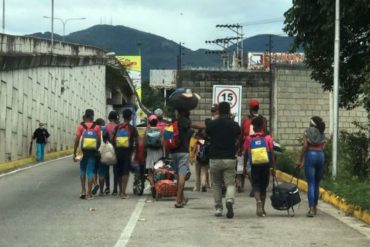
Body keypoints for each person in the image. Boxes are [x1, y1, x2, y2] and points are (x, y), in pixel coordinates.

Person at [206, 102, 241, 218]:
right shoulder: (234, 125)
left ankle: (218, 208)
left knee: (216, 184)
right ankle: (229, 200)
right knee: (230, 183)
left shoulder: (212, 124)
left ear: (218, 111)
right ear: (229, 111)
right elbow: (239, 136)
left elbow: (207, 134)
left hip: (215, 158)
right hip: (229, 158)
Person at [244, 115, 275, 217]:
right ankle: (263, 209)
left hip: (255, 165)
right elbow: (271, 153)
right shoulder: (267, 138)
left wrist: (245, 166)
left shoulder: (249, 138)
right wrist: (273, 167)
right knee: (264, 186)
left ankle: (258, 202)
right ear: (262, 126)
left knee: (256, 184)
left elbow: (247, 153)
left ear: (253, 127)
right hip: (265, 165)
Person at [296, 116, 325, 217]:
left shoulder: (307, 131)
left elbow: (305, 146)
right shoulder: (322, 131)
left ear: (311, 123)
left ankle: (311, 209)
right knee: (317, 183)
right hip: (321, 155)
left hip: (310, 155)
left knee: (311, 183)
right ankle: (315, 207)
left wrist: (300, 159)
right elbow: (322, 146)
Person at [239, 99, 268, 196]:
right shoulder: (263, 119)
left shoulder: (245, 119)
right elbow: (266, 133)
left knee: (248, 168)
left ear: (250, 108)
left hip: (248, 146)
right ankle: (257, 186)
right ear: (258, 108)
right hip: (261, 147)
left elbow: (241, 134)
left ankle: (255, 186)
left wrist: (239, 148)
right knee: (259, 167)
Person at [73, 109, 101, 200]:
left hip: (82, 152)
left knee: (82, 169)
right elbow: (99, 141)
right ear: (92, 116)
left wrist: (74, 153)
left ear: (85, 116)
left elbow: (77, 140)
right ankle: (89, 194)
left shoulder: (81, 126)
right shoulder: (96, 127)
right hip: (92, 152)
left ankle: (83, 191)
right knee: (90, 171)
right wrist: (95, 148)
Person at [111, 109, 139, 199]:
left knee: (119, 172)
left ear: (123, 117)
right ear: (130, 117)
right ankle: (123, 192)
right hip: (127, 152)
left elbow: (112, 139)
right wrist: (136, 153)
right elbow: (137, 142)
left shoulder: (117, 127)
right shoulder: (132, 129)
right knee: (125, 172)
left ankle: (120, 192)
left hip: (118, 152)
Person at [169, 109, 193, 208]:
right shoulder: (189, 129)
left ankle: (182, 199)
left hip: (173, 153)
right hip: (184, 153)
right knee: (182, 176)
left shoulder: (173, 125)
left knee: (178, 176)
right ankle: (178, 199)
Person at [143, 114, 164, 194]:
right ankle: (157, 186)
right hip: (158, 152)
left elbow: (145, 143)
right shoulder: (159, 130)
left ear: (150, 122)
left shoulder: (147, 131)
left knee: (150, 171)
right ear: (156, 123)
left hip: (150, 152)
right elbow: (162, 143)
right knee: (158, 170)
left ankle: (152, 185)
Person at [104, 111, 120, 195]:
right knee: (115, 170)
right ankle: (115, 190)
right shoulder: (118, 127)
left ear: (109, 118)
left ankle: (107, 187)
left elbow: (104, 138)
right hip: (116, 149)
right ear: (116, 118)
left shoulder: (106, 127)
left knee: (106, 169)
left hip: (107, 149)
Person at [95, 118, 108, 196]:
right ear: (103, 123)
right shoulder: (105, 131)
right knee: (101, 173)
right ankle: (101, 191)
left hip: (94, 152)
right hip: (103, 153)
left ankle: (94, 184)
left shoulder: (93, 130)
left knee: (94, 171)